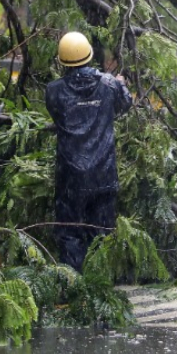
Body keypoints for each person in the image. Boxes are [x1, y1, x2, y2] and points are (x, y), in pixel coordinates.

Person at [44, 31, 133, 272]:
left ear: (61, 62)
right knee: (102, 235)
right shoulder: (109, 84)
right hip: (103, 175)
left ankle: (73, 286)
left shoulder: (53, 91)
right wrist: (121, 84)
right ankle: (99, 287)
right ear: (89, 55)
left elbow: (60, 115)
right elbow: (126, 104)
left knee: (70, 233)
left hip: (70, 178)